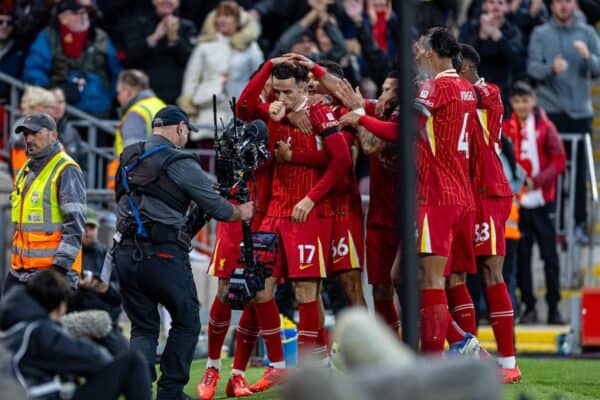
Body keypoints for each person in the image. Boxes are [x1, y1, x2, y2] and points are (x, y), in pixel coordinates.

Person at [112, 105, 254, 399]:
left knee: (143, 327)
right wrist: (243, 211)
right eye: (186, 133)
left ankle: (138, 391)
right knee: (187, 319)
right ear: (180, 129)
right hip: (163, 254)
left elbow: (120, 196)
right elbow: (218, 208)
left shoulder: (128, 155)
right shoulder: (180, 161)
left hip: (125, 254)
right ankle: (171, 391)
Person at [455, 43, 520, 383]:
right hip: (459, 194)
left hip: (488, 193)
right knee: (455, 274)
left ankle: (508, 363)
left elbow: (474, 97)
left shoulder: (488, 92)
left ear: (463, 69)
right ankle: (472, 358)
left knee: (491, 270)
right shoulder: (453, 93)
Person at [414, 27, 478, 354]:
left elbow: (404, 130)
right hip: (461, 195)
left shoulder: (435, 88)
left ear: (431, 52)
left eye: (422, 48)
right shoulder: (466, 88)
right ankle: (461, 344)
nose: (419, 54)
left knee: (432, 280)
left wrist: (359, 116)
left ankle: (434, 360)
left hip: (438, 195)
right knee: (425, 275)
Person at [0, 270, 151, 400]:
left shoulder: (12, 327)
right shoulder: (37, 332)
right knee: (133, 362)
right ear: (59, 306)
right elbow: (96, 360)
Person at [527, 0, 600, 244]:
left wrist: (587, 57)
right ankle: (552, 223)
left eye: (568, 1)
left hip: (580, 112)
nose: (563, 6)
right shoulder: (540, 33)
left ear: (576, 5)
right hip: (552, 112)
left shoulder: (588, 32)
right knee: (551, 170)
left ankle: (579, 224)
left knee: (580, 174)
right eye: (558, 1)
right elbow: (533, 69)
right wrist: (551, 69)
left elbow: (598, 68)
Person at [502, 81, 567, 325]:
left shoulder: (546, 127)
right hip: (517, 204)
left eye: (525, 100)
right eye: (517, 101)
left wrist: (537, 181)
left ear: (534, 100)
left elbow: (559, 160)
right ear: (511, 102)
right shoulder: (505, 128)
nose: (521, 105)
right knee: (522, 260)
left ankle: (554, 307)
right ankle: (528, 305)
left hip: (542, 201)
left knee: (550, 256)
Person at [5, 112, 86, 293]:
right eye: (26, 134)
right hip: (21, 272)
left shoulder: (66, 169)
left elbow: (74, 226)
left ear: (53, 135)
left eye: (35, 133)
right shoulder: (26, 169)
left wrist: (58, 271)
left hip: (53, 273)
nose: (29, 139)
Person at [178, 0, 263, 143]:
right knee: (207, 161)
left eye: (228, 16)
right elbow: (191, 80)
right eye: (219, 15)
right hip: (208, 113)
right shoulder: (204, 46)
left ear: (238, 21)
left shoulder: (251, 48)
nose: (222, 20)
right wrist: (189, 110)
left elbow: (259, 79)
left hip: (238, 114)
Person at [22, 0, 122, 117]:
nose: (83, 16)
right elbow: (34, 71)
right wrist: (55, 91)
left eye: (85, 12)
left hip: (100, 113)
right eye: (76, 13)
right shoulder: (48, 37)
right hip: (62, 113)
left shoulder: (101, 37)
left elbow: (116, 71)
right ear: (63, 17)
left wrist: (114, 98)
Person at [69, 208, 128, 356]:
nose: (87, 232)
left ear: (97, 228)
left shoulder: (109, 256)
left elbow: (123, 294)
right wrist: (77, 287)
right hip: (74, 324)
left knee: (128, 358)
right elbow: (57, 293)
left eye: (91, 227)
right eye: (84, 227)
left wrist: (106, 289)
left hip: (106, 325)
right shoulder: (68, 256)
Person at [118, 0, 197, 104]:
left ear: (178, 2)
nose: (166, 1)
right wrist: (154, 38)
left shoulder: (187, 27)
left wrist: (174, 39)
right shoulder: (138, 23)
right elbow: (129, 57)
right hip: (144, 93)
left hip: (177, 95)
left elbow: (192, 63)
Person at [106, 69, 165, 190]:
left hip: (140, 185)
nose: (118, 98)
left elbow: (132, 154)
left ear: (128, 91)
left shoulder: (136, 113)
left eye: (119, 92)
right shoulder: (161, 105)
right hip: (163, 177)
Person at [458, 0, 523, 111]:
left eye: (500, 2)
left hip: (502, 96)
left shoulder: (513, 31)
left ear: (507, 7)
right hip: (473, 94)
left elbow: (517, 61)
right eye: (491, 2)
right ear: (484, 5)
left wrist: (498, 37)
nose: (496, 6)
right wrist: (480, 37)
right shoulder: (470, 28)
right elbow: (460, 60)